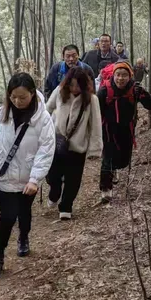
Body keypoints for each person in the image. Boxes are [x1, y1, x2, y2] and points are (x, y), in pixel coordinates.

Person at [0, 72, 55, 277]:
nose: (17, 101)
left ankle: (23, 237)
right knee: (7, 217)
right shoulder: (0, 115)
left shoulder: (42, 119)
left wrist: (35, 179)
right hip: (3, 178)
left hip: (28, 179)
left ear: (32, 94)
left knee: (25, 214)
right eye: (13, 97)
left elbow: (45, 150)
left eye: (22, 97)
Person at [46, 66, 103, 219]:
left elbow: (96, 125)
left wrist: (95, 150)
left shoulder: (91, 100)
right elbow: (47, 110)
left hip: (77, 147)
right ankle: (54, 193)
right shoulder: (59, 92)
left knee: (73, 179)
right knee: (52, 176)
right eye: (71, 85)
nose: (74, 88)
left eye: (78, 85)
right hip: (57, 143)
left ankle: (66, 207)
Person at [98, 62, 151, 204]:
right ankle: (105, 189)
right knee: (108, 159)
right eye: (118, 75)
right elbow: (95, 111)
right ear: (113, 75)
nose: (120, 78)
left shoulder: (134, 88)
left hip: (127, 129)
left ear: (130, 76)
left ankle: (114, 170)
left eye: (124, 75)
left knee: (124, 160)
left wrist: (142, 93)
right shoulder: (105, 90)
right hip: (108, 129)